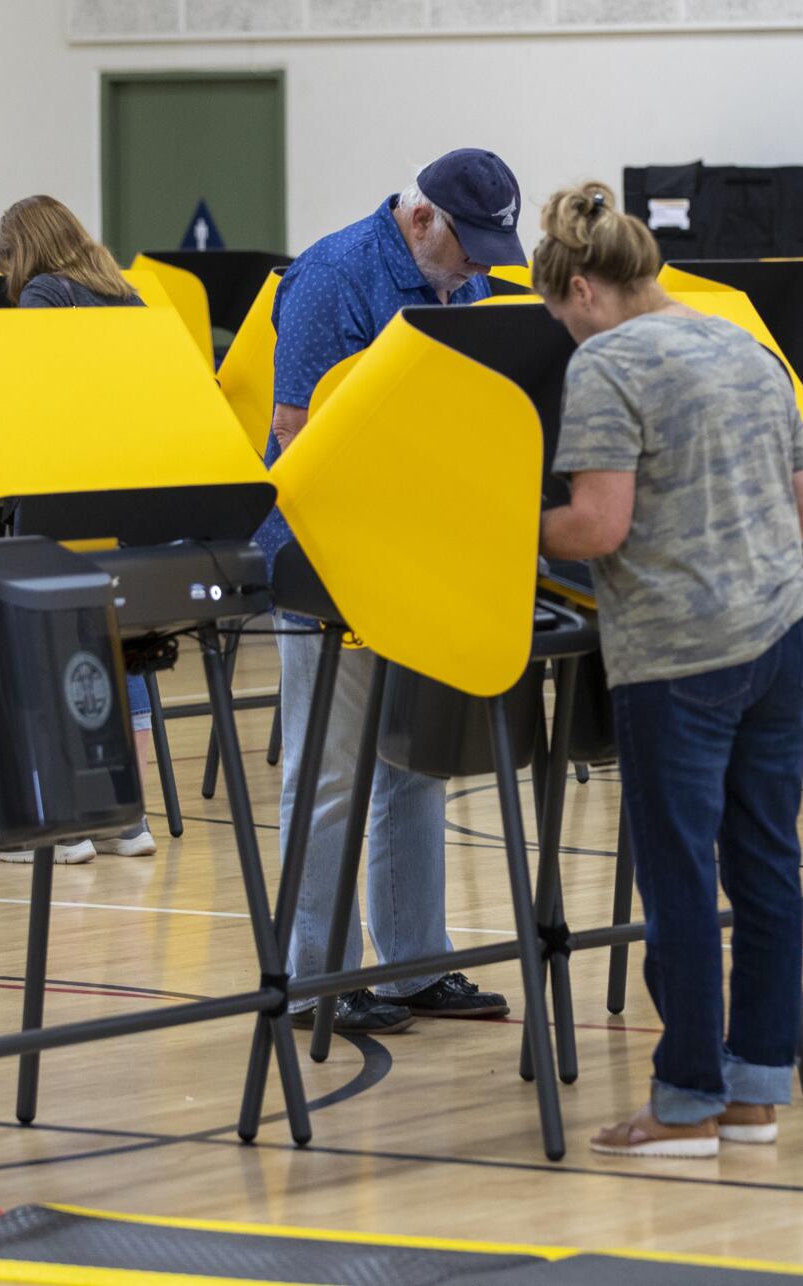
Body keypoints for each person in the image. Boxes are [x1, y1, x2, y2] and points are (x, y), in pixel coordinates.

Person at [536, 182, 803, 1158]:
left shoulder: (609, 361)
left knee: (675, 873)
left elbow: (598, 525)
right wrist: (731, 547)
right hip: (782, 630)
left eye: (559, 319)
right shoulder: (740, 345)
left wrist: (489, 523)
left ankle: (683, 1100)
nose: (567, 337)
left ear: (581, 287)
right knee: (762, 868)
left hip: (678, 649)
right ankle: (752, 1092)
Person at [259, 150, 527, 1034]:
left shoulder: (464, 286)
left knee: (416, 766)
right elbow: (294, 443)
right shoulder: (331, 277)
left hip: (422, 549)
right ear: (419, 221)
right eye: (468, 247)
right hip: (325, 556)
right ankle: (317, 979)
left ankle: (415, 964)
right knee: (329, 776)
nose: (478, 269)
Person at [0, 193, 158, 864]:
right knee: (116, 642)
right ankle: (125, 816)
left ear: (18, 250)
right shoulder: (127, 296)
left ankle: (60, 824)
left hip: (62, 483)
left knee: (44, 637)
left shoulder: (43, 295)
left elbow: (38, 393)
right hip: (128, 489)